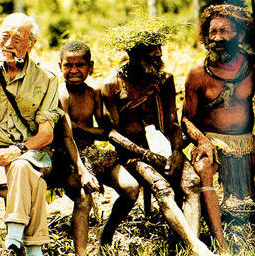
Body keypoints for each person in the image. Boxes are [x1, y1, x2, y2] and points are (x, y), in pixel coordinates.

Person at [101, 14, 216, 256]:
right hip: (132, 153)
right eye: (149, 53)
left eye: (159, 52)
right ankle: (196, 247)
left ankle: (190, 244)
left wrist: (175, 153)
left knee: (192, 183)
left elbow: (173, 123)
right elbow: (112, 133)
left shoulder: (164, 80)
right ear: (133, 55)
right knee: (163, 188)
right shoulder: (112, 85)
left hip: (164, 147)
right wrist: (145, 155)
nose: (157, 57)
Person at [0, 13, 63, 256]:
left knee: (22, 166)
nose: (8, 44)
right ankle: (33, 248)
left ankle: (15, 234)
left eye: (17, 39)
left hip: (28, 154)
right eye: (4, 36)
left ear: (31, 44)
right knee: (31, 180)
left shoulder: (46, 78)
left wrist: (16, 150)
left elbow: (46, 134)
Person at [182, 3, 254, 253]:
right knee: (202, 168)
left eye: (225, 31)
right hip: (212, 142)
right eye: (212, 32)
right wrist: (202, 141)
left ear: (241, 35)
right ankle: (220, 242)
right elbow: (186, 119)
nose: (217, 38)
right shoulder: (197, 74)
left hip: (247, 140)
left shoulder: (251, 68)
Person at [56, 40, 139, 255]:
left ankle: (107, 235)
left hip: (92, 153)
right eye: (68, 65)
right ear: (60, 67)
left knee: (131, 188)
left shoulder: (94, 92)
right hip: (67, 157)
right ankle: (81, 252)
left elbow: (105, 129)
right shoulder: (61, 94)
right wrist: (82, 170)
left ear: (90, 66)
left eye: (80, 65)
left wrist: (81, 129)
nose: (74, 71)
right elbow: (66, 135)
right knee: (84, 200)